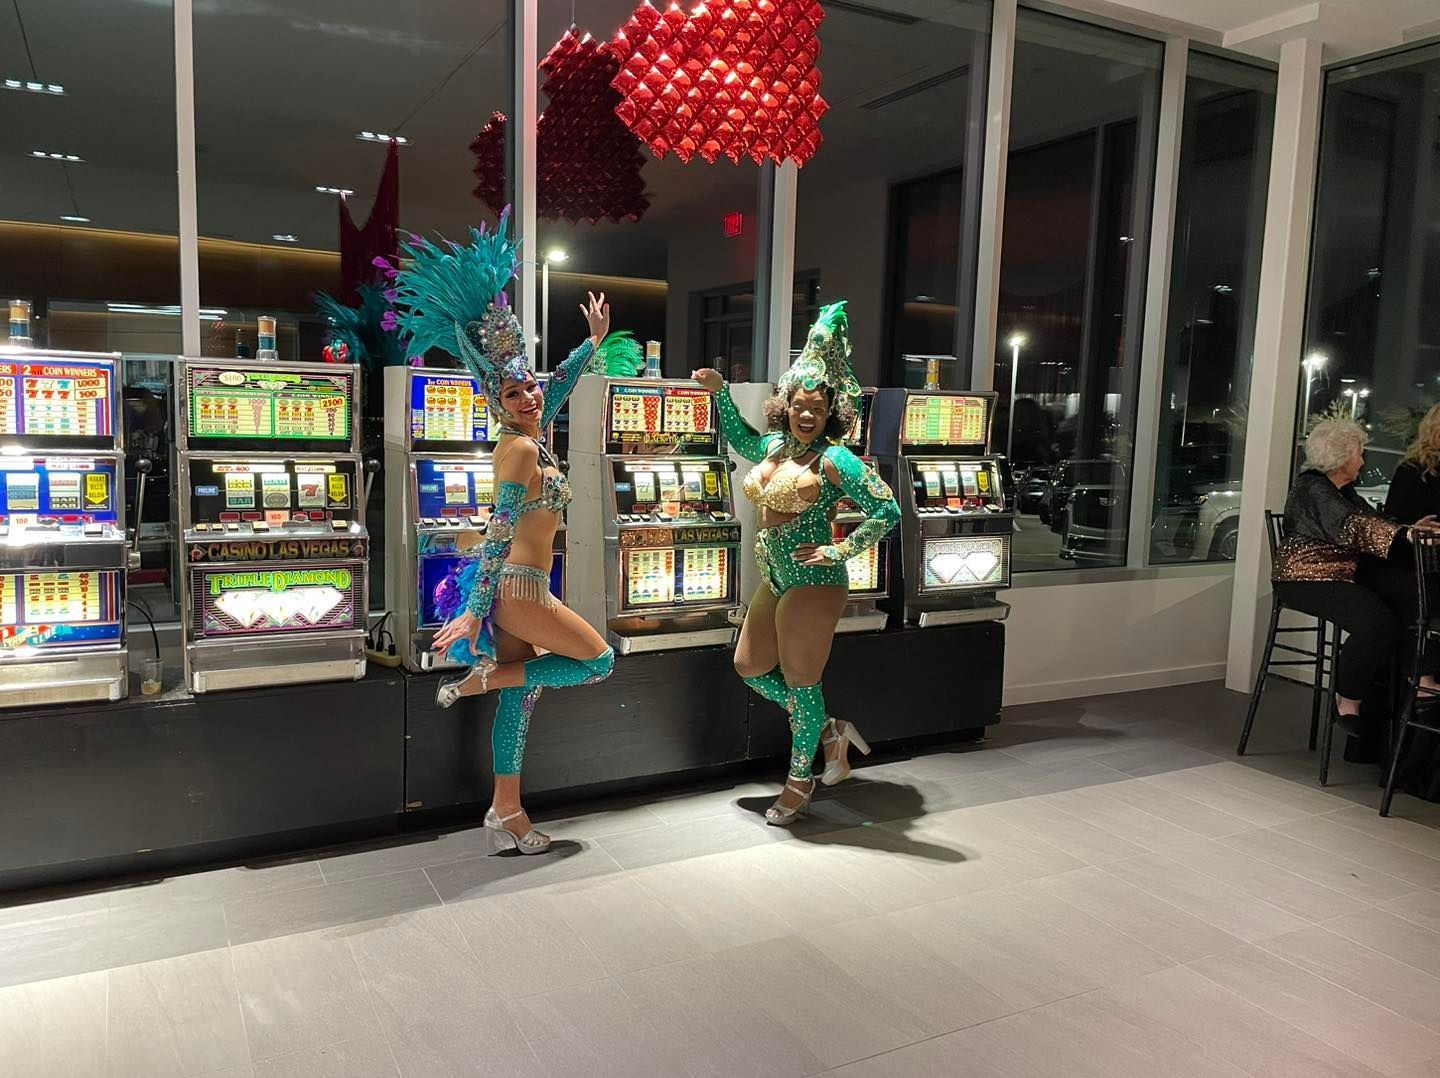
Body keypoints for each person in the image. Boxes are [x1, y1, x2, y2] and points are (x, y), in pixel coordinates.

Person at [380, 211, 614, 856]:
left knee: (527, 688)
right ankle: (473, 683)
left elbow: (556, 385)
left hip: (524, 585)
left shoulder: (533, 431)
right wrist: (473, 611)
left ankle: (506, 809)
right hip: (520, 589)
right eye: (513, 393)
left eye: (530, 387)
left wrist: (590, 344)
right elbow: (498, 530)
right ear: (495, 401)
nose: (530, 397)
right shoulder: (517, 453)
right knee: (598, 662)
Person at [694, 302, 900, 825]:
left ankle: (799, 780)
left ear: (832, 411)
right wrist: (719, 390)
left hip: (816, 581)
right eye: (800, 404)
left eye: (818, 406)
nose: (808, 413)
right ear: (785, 405)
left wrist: (840, 548)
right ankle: (829, 729)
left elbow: (888, 509)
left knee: (803, 681)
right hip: (778, 578)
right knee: (748, 665)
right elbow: (739, 438)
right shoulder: (772, 445)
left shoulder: (836, 459)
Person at [1276, 416, 1440, 734]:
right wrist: (1405, 536)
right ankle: (1347, 700)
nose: (1362, 460)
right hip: (1305, 580)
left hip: (1340, 576)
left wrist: (1408, 529)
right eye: (1359, 453)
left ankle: (1417, 678)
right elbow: (1355, 526)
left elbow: (1373, 518)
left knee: (1395, 608)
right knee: (1377, 624)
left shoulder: (1341, 491)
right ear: (1344, 456)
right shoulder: (1313, 489)